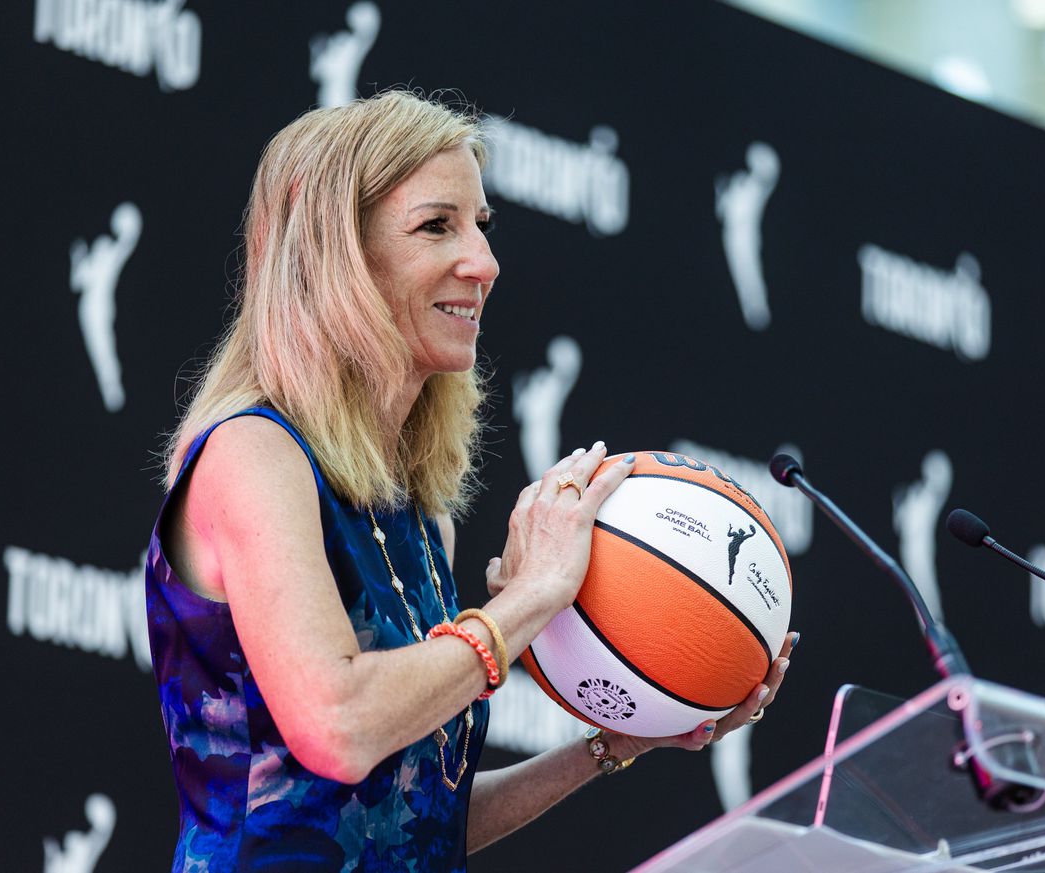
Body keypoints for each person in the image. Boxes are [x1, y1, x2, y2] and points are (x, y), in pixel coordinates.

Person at [147, 90, 795, 872]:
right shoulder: (254, 454)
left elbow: (418, 820)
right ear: (334, 256)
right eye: (435, 225)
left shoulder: (421, 518)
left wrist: (608, 745)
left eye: (481, 227)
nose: (484, 264)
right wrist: (531, 598)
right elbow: (339, 726)